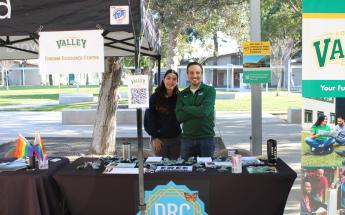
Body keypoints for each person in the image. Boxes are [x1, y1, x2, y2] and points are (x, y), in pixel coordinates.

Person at [175, 62, 216, 160]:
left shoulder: (210, 90)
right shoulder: (182, 94)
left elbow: (204, 112)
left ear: (202, 74)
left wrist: (185, 108)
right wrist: (198, 109)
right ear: (187, 74)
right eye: (191, 73)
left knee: (207, 171)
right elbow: (179, 117)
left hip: (206, 139)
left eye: (198, 72)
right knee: (186, 172)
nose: (194, 75)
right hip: (187, 139)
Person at [144, 69, 181, 159]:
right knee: (159, 170)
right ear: (163, 80)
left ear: (176, 82)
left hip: (176, 139)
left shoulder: (179, 97)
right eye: (168, 78)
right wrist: (154, 138)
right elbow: (149, 119)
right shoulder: (154, 97)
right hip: (159, 140)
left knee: (174, 168)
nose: (171, 81)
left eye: (174, 79)